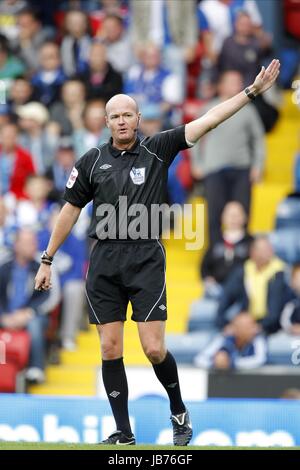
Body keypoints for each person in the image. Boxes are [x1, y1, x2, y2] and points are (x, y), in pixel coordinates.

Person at [34, 59, 280, 445]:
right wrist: (47, 258)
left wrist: (250, 92)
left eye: (126, 114)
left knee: (152, 348)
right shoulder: (92, 161)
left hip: (146, 258)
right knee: (110, 346)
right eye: (113, 116)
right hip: (104, 260)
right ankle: (124, 432)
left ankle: (179, 412)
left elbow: (210, 119)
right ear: (106, 121)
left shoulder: (159, 148)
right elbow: (69, 210)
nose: (120, 121)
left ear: (138, 117)